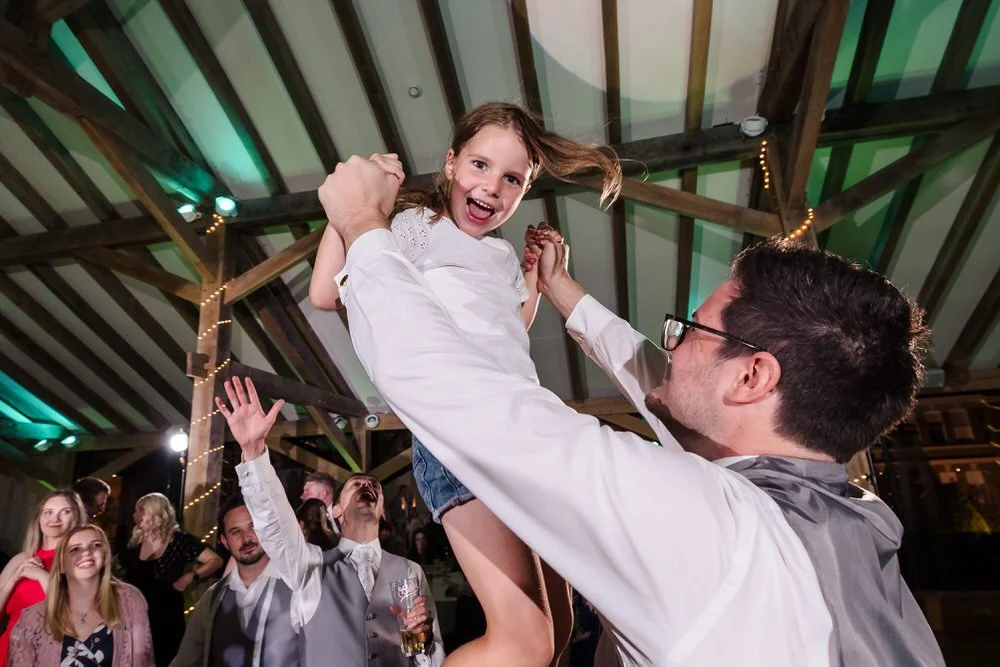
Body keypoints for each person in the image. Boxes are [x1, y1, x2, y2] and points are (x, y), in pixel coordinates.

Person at [314, 154, 946, 666]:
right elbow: (666, 390)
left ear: (754, 375)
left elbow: (453, 390)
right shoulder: (857, 519)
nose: (670, 345)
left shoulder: (718, 532)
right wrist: (561, 291)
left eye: (692, 331)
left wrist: (366, 225)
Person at [311, 102, 621, 667]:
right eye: (480, 166)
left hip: (523, 428)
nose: (492, 188)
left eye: (512, 180)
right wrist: (352, 208)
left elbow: (505, 330)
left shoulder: (500, 254)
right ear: (451, 163)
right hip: (461, 433)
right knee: (522, 642)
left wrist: (533, 278)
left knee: (558, 631)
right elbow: (327, 294)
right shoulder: (414, 227)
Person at [215, 377, 442, 667]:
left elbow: (430, 657)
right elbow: (274, 524)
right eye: (355, 485)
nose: (366, 486)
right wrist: (254, 451)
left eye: (374, 486)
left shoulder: (410, 571)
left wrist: (422, 642)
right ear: (335, 510)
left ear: (383, 511)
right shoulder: (310, 566)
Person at [171, 495, 301, 667]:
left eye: (253, 527)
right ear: (224, 541)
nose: (247, 538)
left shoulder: (298, 587)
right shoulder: (212, 600)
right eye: (236, 532)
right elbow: (186, 660)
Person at [8, 524, 153, 666]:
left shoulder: (130, 601)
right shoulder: (32, 619)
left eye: (96, 545)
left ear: (105, 555)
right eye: (75, 549)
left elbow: (142, 661)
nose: (86, 552)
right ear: (61, 564)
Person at [118, 492, 223, 666]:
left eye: (141, 510)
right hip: (135, 619)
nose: (134, 515)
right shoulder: (133, 544)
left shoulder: (180, 541)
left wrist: (190, 577)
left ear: (156, 511)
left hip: (167, 619)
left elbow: (216, 560)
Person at [0, 488, 86, 665]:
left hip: (49, 655)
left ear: (77, 518)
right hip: (8, 650)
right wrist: (12, 581)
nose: (54, 519)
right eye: (48, 512)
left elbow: (79, 616)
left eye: (65, 512)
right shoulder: (22, 559)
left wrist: (42, 576)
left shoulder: (81, 561)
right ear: (39, 518)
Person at [299, 471, 341, 537]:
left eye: (307, 491)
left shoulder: (345, 515)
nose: (301, 496)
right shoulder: (305, 523)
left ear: (322, 494)